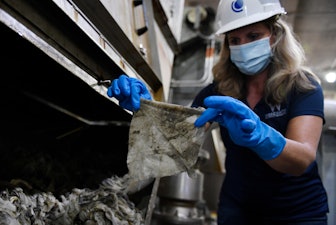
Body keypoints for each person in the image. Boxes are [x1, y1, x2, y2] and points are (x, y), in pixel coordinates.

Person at [106, 0, 329, 224]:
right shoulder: (219, 90)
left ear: (274, 35)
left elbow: (301, 160)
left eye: (253, 36)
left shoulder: (302, 86)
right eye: (234, 40)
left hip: (298, 212)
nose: (243, 46)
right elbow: (176, 141)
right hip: (238, 210)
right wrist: (146, 107)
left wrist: (261, 137)